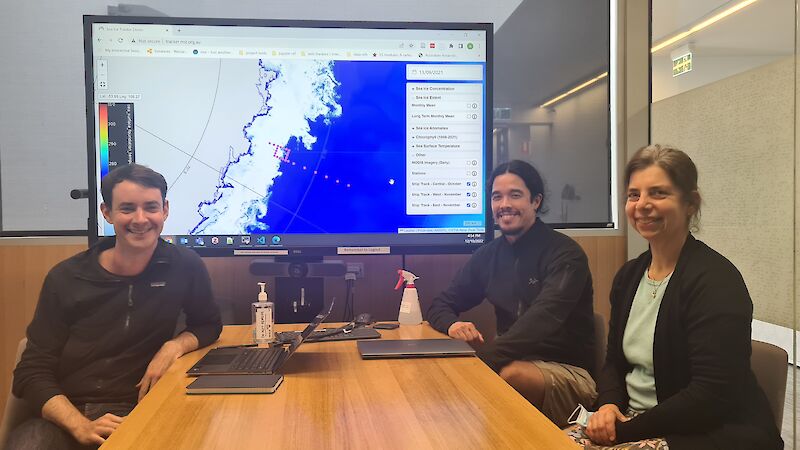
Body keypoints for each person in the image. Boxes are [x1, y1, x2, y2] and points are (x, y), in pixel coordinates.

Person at [566, 145, 783, 449]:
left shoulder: (716, 281)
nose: (642, 205)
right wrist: (609, 407)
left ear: (690, 203)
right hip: (633, 420)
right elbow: (614, 361)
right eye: (634, 195)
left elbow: (711, 394)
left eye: (658, 193)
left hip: (705, 432)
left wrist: (625, 432)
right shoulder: (629, 276)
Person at [8, 164, 223, 449]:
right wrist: (79, 425)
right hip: (68, 413)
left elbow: (208, 324)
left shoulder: (184, 265)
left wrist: (173, 346)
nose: (141, 219)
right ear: (106, 212)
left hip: (142, 408)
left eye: (151, 207)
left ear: (165, 209)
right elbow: (31, 371)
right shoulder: (66, 277)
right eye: (127, 209)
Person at [427, 159, 596, 427]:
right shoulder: (489, 256)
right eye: (497, 197)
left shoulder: (565, 255)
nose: (504, 204)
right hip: (509, 361)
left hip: (570, 374)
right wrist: (453, 324)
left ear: (536, 201)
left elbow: (541, 321)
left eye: (515, 195)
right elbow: (440, 304)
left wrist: (481, 364)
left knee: (511, 376)